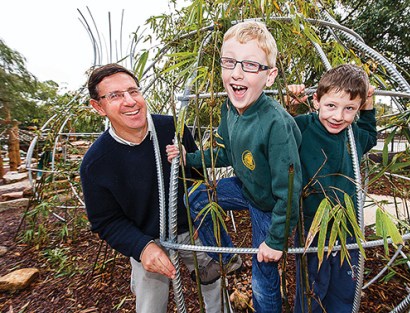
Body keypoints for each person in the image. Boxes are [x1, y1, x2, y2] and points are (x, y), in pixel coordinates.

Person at [166, 21, 302, 312]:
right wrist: (187, 157)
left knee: (263, 276)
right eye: (229, 62)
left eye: (251, 65)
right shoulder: (229, 109)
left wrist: (276, 241)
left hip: (270, 202)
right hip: (246, 186)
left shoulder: (275, 124)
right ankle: (228, 256)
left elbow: (289, 191)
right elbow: (225, 153)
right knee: (196, 198)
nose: (237, 73)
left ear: (270, 76)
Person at [80, 63, 223, 313]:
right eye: (115, 95)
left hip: (192, 230)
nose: (130, 101)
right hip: (146, 237)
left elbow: (198, 177)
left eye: (133, 91)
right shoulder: (96, 163)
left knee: (213, 283)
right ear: (98, 107)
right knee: (150, 305)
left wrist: (202, 218)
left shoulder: (173, 129)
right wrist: (142, 247)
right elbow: (105, 220)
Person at [286, 64, 377, 313]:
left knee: (345, 290)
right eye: (331, 106)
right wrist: (290, 106)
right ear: (316, 101)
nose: (338, 116)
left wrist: (369, 105)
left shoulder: (354, 135)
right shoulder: (303, 126)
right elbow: (281, 133)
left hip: (348, 228)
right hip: (312, 228)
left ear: (357, 109)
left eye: (349, 109)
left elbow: (370, 133)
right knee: (312, 289)